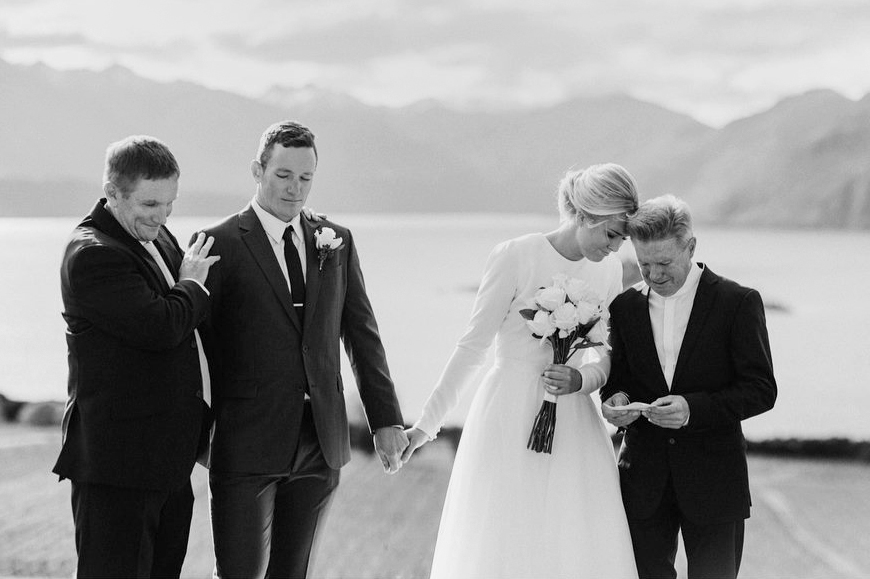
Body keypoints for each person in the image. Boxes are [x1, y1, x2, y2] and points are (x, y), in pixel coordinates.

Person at [402, 163, 641, 578]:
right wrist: (426, 425)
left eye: (623, 238)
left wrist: (582, 379)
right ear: (585, 215)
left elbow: (608, 352)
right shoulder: (516, 255)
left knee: (574, 538)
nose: (617, 247)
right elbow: (473, 346)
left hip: (573, 421)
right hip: (507, 415)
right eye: (611, 234)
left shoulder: (609, 271)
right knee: (504, 534)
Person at [198, 120, 407, 578]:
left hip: (320, 444)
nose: (296, 190)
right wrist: (194, 437)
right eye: (283, 175)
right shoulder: (218, 245)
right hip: (245, 446)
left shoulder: (336, 241)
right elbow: (194, 353)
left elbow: (361, 334)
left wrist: (385, 419)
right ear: (258, 170)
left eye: (306, 178)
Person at [52, 135, 219, 577]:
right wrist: (194, 285)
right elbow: (162, 326)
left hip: (166, 464)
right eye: (150, 204)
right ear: (113, 194)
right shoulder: (93, 256)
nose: (162, 217)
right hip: (118, 470)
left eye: (170, 204)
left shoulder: (157, 234)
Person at [600, 195, 777, 579]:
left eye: (664, 263)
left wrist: (693, 409)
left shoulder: (738, 302)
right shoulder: (624, 308)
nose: (654, 274)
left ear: (691, 247)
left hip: (715, 483)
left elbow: (761, 389)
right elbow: (619, 380)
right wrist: (616, 401)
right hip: (642, 482)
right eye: (644, 265)